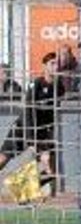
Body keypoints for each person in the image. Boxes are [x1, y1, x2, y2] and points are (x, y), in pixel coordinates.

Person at [0, 52, 65, 202]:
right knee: (3, 158)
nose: (56, 66)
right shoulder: (36, 84)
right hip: (23, 128)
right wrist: (31, 140)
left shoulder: (59, 87)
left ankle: (23, 192)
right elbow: (28, 111)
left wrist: (47, 135)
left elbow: (52, 114)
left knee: (48, 165)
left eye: (57, 64)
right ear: (45, 66)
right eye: (52, 63)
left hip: (42, 132)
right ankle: (22, 190)